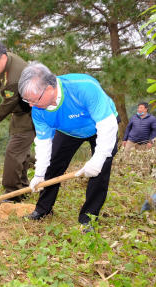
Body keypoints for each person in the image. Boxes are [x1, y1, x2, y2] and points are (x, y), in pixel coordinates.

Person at [18, 62, 119, 232]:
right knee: (52, 167)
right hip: (69, 131)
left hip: (100, 126)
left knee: (100, 170)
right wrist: (40, 174)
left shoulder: (84, 88)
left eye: (34, 99)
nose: (31, 105)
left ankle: (88, 219)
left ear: (50, 88)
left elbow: (107, 125)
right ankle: (42, 210)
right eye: (27, 100)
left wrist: (99, 158)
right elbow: (43, 144)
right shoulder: (38, 110)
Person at [0, 41, 36, 203]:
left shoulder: (14, 79)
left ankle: (12, 194)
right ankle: (23, 188)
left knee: (13, 152)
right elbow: (3, 77)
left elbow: (5, 107)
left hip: (29, 114)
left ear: (3, 58)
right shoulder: (7, 59)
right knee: (21, 153)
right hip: (20, 112)